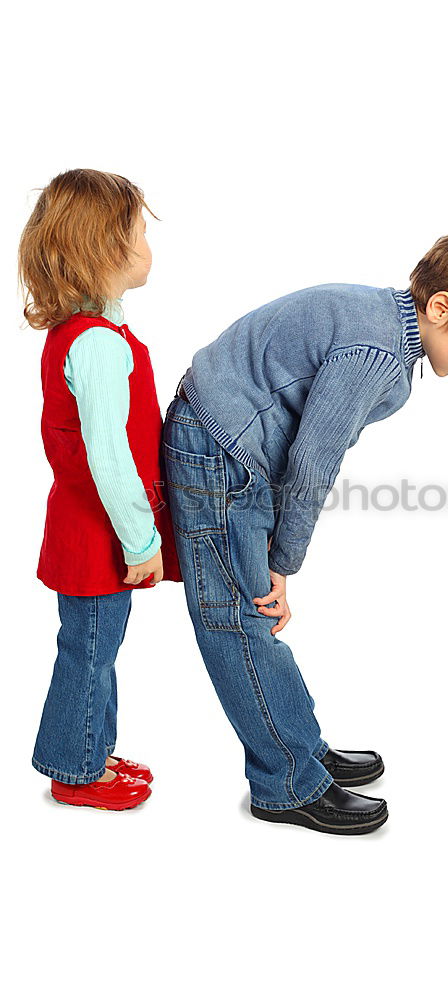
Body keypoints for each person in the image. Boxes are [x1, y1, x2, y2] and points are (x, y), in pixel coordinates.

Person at [164, 230, 448, 835]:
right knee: (240, 618)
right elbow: (314, 461)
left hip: (231, 439)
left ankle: (300, 744)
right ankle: (285, 784)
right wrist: (283, 561)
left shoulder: (380, 323)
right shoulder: (378, 354)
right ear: (442, 308)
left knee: (250, 618)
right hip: (220, 446)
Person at [18, 169, 182, 811]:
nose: (149, 245)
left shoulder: (92, 333)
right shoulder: (96, 347)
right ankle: (75, 770)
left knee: (96, 645)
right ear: (107, 249)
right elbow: (109, 457)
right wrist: (142, 539)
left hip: (91, 530)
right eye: (140, 232)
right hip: (101, 536)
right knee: (88, 651)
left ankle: (87, 747)